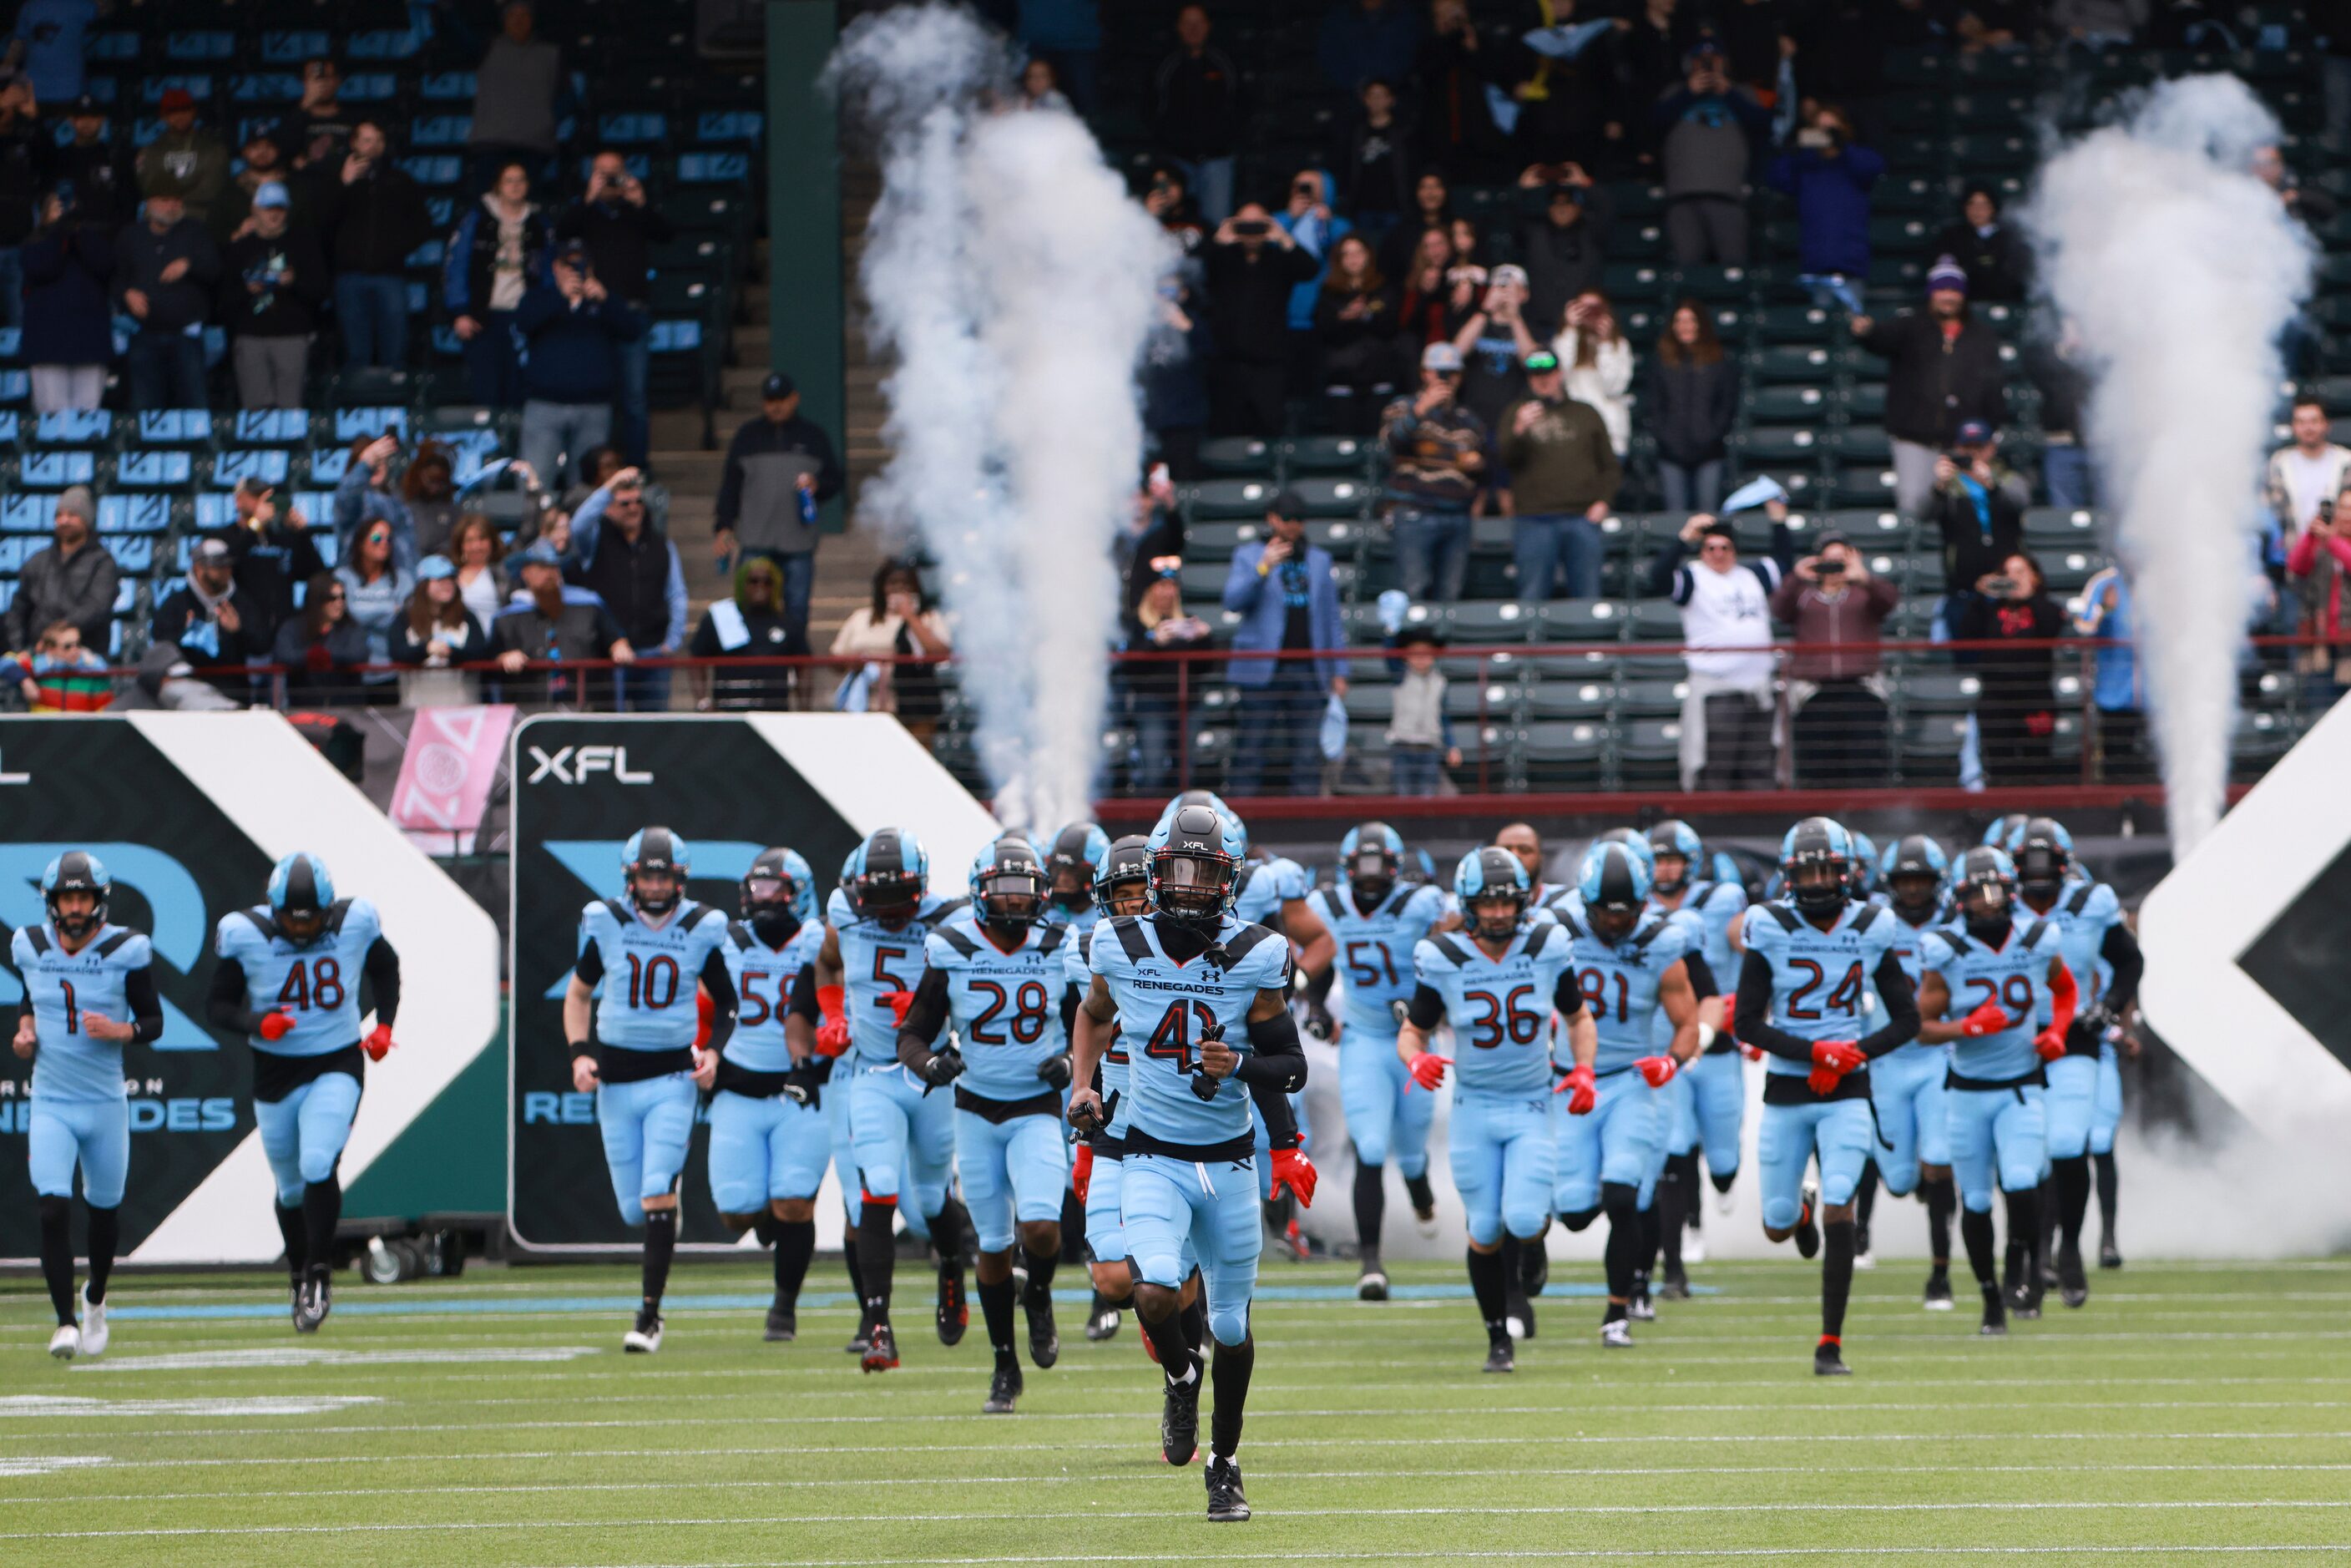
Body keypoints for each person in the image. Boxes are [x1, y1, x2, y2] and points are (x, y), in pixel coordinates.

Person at [1068, 802, 1311, 1519]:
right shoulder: (1115, 942)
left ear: (1229, 879)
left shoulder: (1259, 953)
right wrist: (1084, 1085)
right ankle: (1180, 1374)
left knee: (1231, 1325)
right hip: (1150, 1153)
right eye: (1179, 870)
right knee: (1151, 1288)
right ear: (1156, 871)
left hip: (1230, 1163)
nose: (1192, 887)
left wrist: (1238, 1061)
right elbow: (1093, 1012)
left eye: (1205, 874)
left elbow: (1290, 1066)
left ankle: (1226, 1463)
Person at [889, 838, 1074, 1414]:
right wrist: (930, 1064)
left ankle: (1038, 1294)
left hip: (1036, 1107)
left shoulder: (1058, 946)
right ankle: (1004, 1364)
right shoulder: (952, 947)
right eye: (1005, 892)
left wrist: (1070, 1064)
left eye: (1026, 892)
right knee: (992, 1246)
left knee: (1042, 1227)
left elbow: (1093, 1027)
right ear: (982, 893)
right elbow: (912, 1034)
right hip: (974, 1110)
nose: (1017, 904)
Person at [1733, 818, 1919, 1374]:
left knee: (1844, 1197)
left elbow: (1908, 1019)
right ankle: (1801, 1208)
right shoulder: (1768, 925)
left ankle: (1829, 1344)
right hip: (1790, 1086)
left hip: (1848, 1089)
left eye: (1826, 869)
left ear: (1846, 872)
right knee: (1776, 1223)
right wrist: (1818, 1053)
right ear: (1790, 876)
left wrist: (1852, 1053)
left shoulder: (1870, 925)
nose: (1816, 880)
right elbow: (1745, 1023)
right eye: (1807, 870)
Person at [1397, 846, 1588, 1371]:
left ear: (1524, 901)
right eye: (1488, 903)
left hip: (1531, 1102)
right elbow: (1413, 1032)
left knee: (1524, 1219)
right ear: (1469, 903)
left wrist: (1585, 1069)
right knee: (1484, 1228)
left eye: (1508, 903)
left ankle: (1533, 1247)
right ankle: (1496, 1336)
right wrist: (1416, 1062)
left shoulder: (1548, 944)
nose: (1500, 913)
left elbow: (1578, 1017)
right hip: (1474, 1106)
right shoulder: (1444, 955)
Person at [208, 852, 401, 1332]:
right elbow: (217, 1005)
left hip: (336, 1060)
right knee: (290, 1189)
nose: (300, 931)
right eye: (291, 922)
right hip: (274, 1073)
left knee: (318, 1162)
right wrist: (257, 1022)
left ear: (328, 910)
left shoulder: (356, 922)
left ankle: (318, 1275)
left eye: (310, 919)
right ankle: (298, 1274)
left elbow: (386, 968)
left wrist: (384, 1025)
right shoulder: (244, 934)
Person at [562, 829, 736, 1352]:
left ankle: (649, 1316)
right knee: (634, 1210)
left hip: (671, 1080)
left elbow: (727, 1003)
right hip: (615, 1081)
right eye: (648, 875)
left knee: (658, 1188)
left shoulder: (700, 927)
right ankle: (663, 1218)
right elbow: (578, 994)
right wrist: (578, 1052)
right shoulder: (607, 922)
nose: (656, 885)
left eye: (664, 875)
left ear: (680, 879)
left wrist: (714, 1051)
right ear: (630, 877)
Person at [808, 828, 975, 1369]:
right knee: (876, 1185)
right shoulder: (845, 913)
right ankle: (879, 1324)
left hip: (927, 1074)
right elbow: (827, 963)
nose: (887, 913)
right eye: (875, 901)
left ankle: (951, 1265)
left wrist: (932, 1003)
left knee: (929, 1201)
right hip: (872, 1073)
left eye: (898, 900)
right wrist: (834, 1013)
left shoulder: (949, 919)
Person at [1550, 842, 1706, 1348]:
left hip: (1631, 1080)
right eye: (1604, 914)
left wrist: (1673, 1059)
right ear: (1586, 904)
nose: (1616, 925)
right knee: (1573, 1213)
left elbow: (1689, 1020)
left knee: (1623, 1195)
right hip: (1571, 1077)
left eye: (1627, 914)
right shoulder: (1557, 931)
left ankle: (1617, 1310)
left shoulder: (1664, 940)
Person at [1914, 846, 2074, 1336]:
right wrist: (1967, 1028)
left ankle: (2017, 1261)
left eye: (1996, 891)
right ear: (1960, 899)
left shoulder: (2036, 939)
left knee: (2023, 1183)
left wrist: (2057, 1033)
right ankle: (1989, 1297)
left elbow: (2065, 989)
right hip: (1967, 1091)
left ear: (2011, 890)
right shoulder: (1947, 950)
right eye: (1977, 894)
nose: (1988, 902)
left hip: (2021, 1087)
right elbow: (1920, 1027)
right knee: (1978, 1201)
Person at [13, 851, 159, 1359]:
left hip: (103, 1102)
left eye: (83, 897)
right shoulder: (28, 944)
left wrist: (123, 1030)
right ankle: (64, 1322)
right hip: (51, 1098)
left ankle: (95, 1295)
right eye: (66, 898)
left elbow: (154, 1020)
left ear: (99, 901)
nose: (75, 908)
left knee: (104, 1215)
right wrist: (26, 1028)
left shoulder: (127, 948)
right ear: (52, 903)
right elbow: (32, 997)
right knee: (53, 1207)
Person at [1303, 824, 1446, 1297]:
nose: (1367, 879)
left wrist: (1431, 1008)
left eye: (1376, 866)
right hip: (1364, 1039)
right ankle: (1370, 1262)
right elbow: (1319, 964)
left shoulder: (1420, 905)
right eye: (1360, 868)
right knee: (1368, 1145)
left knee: (1409, 1152)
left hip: (1413, 1038)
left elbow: (1447, 957)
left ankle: (1421, 1194)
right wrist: (1319, 1008)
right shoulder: (1330, 906)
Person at [695, 847, 829, 1340]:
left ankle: (784, 1308)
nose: (765, 898)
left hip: (803, 1085)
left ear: (801, 893)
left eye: (777, 889)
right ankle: (768, 1222)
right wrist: (703, 1050)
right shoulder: (727, 939)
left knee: (795, 1201)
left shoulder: (820, 939)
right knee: (737, 1214)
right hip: (740, 1083)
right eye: (757, 888)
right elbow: (702, 1003)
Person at [2008, 818, 2142, 1296]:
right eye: (2029, 863)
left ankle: (2068, 1247)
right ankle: (2030, 1253)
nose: (2038, 874)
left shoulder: (2090, 904)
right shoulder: (1994, 908)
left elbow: (2130, 959)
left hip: (2075, 1035)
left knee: (2068, 1143)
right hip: (2012, 1040)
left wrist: (2109, 1008)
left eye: (2047, 863)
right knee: (2026, 1157)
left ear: (2066, 866)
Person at [1642, 820, 1746, 1288]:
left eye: (1672, 859)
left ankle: (1717, 1190)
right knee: (1675, 1148)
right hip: (1667, 1048)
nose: (1665, 868)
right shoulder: (1635, 909)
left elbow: (1751, 950)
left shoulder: (1723, 901)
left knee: (1723, 1160)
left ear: (1691, 863)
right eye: (1657, 859)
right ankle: (1675, 1263)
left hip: (1718, 1046)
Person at [1872, 834, 1960, 1308]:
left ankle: (1940, 1274)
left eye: (1920, 881)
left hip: (1936, 1058)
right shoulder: (1873, 924)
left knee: (1940, 1159)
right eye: (1904, 881)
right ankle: (1926, 1182)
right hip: (1888, 1059)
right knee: (1901, 1180)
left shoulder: (1956, 926)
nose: (1912, 890)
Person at [1853, 260, 2008, 518]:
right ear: (1931, 293)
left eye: (1954, 290)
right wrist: (1866, 331)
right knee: (1914, 504)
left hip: (1963, 442)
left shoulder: (1982, 336)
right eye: (1942, 289)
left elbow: (1994, 387)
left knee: (1964, 508)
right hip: (1913, 439)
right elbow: (1879, 339)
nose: (1948, 296)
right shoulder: (1911, 326)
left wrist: (1992, 433)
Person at [1222, 491, 1346, 797]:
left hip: (1308, 669)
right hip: (1263, 668)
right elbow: (1233, 600)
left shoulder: (1319, 560)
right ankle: (1239, 823)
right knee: (1251, 747)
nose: (1293, 526)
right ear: (1272, 519)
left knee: (1305, 754)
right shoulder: (1249, 555)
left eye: (1299, 520)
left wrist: (1339, 669)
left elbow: (1331, 618)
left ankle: (1303, 823)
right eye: (1287, 519)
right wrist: (1263, 568)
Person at [556, 151, 673, 465]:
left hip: (632, 312)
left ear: (626, 174)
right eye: (601, 173)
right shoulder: (586, 213)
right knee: (599, 395)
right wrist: (588, 198)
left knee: (634, 398)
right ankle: (600, 470)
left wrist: (641, 203)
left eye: (614, 173)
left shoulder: (635, 211)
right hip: (595, 315)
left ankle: (636, 468)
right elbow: (561, 233)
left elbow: (666, 235)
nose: (609, 179)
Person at [715, 372, 843, 650]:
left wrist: (816, 485)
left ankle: (794, 664)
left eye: (782, 399)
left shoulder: (814, 436)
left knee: (796, 610)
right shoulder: (747, 436)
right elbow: (730, 486)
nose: (776, 406)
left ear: (794, 399)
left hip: (797, 541)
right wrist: (723, 526)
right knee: (746, 607)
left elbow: (836, 480)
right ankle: (748, 661)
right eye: (770, 400)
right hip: (755, 539)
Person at [1659, 513, 1785, 790]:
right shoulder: (1693, 577)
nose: (1718, 554)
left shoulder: (1752, 575)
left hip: (1758, 688)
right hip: (1717, 691)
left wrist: (1778, 521)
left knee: (1759, 764)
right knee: (1716, 765)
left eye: (1724, 547)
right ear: (1702, 551)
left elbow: (1783, 563)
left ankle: (1760, 827)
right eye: (1710, 548)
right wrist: (1683, 539)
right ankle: (1712, 827)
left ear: (1735, 551)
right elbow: (1658, 578)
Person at [1770, 533, 1898, 787]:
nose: (1835, 566)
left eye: (1841, 560)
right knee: (1819, 766)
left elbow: (1889, 601)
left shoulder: (1865, 593)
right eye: (1829, 560)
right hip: (1816, 692)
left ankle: (1866, 821)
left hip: (1862, 689)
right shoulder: (1804, 595)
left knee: (1866, 764)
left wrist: (1865, 578)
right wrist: (1796, 576)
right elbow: (1778, 609)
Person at [1499, 346, 1621, 601]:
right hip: (1533, 519)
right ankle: (1530, 642)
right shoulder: (1515, 412)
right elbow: (1504, 461)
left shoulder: (1585, 412)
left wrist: (1603, 501)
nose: (1543, 379)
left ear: (1560, 374)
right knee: (1531, 596)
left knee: (1587, 595)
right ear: (1529, 379)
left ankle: (1588, 641)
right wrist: (1519, 429)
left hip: (1582, 517)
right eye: (1536, 375)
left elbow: (1609, 465)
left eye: (1549, 373)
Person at [561, 466, 685, 712]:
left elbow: (677, 594)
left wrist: (672, 641)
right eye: (624, 503)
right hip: (607, 654)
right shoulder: (595, 541)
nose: (634, 508)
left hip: (653, 653)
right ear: (608, 508)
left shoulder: (662, 545)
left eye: (638, 501)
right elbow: (577, 527)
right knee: (608, 728)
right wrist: (610, 487)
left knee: (655, 730)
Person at [1379, 341, 1489, 603]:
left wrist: (1477, 465)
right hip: (1415, 513)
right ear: (1425, 373)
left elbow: (1486, 469)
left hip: (1458, 516)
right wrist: (1421, 409)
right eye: (1441, 372)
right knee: (1414, 590)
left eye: (1453, 374)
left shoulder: (1468, 419)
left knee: (1451, 596)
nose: (1447, 379)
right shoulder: (1402, 407)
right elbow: (1390, 445)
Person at [320, 120, 432, 371]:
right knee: (355, 354)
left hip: (390, 275)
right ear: (354, 143)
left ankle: (396, 406)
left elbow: (423, 226)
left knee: (395, 353)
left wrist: (394, 250)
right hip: (349, 275)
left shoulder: (400, 181)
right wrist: (343, 184)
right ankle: (354, 407)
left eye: (378, 140)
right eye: (367, 140)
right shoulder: (334, 180)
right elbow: (322, 223)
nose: (373, 146)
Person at [445, 161, 552, 410]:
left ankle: (516, 448)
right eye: (509, 180)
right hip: (483, 316)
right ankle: (489, 447)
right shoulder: (477, 219)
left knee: (519, 390)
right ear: (498, 187)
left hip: (523, 319)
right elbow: (456, 265)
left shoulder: (539, 224)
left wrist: (544, 312)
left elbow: (549, 272)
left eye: (520, 180)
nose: (515, 186)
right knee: (485, 390)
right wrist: (460, 311)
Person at [1202, 203, 1317, 436]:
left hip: (1270, 362)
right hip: (1228, 360)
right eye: (1245, 224)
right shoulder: (1221, 257)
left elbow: (1310, 269)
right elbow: (1196, 268)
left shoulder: (1278, 258)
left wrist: (1282, 236)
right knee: (1227, 428)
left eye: (1258, 224)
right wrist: (1218, 241)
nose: (1251, 231)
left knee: (1270, 425)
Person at [1654, 44, 1771, 266]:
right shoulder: (1675, 92)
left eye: (1713, 59)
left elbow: (1762, 126)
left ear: (1724, 62)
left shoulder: (1742, 92)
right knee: (1687, 269)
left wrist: (1729, 93)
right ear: (1691, 63)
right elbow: (1655, 124)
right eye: (1701, 60)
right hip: (1682, 196)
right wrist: (1688, 94)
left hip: (1728, 195)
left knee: (1733, 267)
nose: (1707, 65)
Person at [1955, 551, 2065, 786]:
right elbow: (1965, 633)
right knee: (1999, 766)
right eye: (2007, 573)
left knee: (2036, 765)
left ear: (2035, 577)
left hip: (2035, 698)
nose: (2013, 578)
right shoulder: (1989, 610)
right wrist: (1981, 597)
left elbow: (2052, 627)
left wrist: (2029, 596)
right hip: (1996, 699)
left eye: (2020, 572)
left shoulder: (2047, 607)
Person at [219, 182, 325, 410]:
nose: (274, 214)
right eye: (268, 208)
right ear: (255, 210)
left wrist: (294, 282)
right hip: (251, 337)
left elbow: (320, 291)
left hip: (292, 335)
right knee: (256, 409)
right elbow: (223, 298)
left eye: (280, 208)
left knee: (290, 407)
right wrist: (246, 290)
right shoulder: (239, 249)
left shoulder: (304, 244)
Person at [490, 542, 636, 706]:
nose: (549, 573)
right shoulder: (507, 618)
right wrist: (504, 657)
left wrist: (620, 646)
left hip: (586, 707)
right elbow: (492, 656)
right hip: (531, 710)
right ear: (525, 573)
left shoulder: (588, 606)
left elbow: (615, 637)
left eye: (554, 567)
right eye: (541, 567)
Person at [1767, 103, 1882, 308]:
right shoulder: (1806, 166)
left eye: (1831, 129)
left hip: (1851, 262)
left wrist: (1843, 147)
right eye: (1820, 129)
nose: (1825, 134)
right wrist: (1792, 149)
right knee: (1820, 325)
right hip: (1815, 263)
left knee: (1852, 326)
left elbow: (1874, 167)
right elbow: (1777, 179)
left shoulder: (1855, 162)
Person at [829, 559, 953, 746]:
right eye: (893, 583)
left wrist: (910, 616)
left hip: (913, 708)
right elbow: (835, 658)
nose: (899, 589)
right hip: (868, 708)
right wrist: (852, 663)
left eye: (905, 584)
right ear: (881, 587)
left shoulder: (928, 618)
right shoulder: (861, 618)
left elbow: (940, 652)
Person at [113, 193, 218, 409]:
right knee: (145, 408)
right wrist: (126, 295)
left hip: (186, 335)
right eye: (165, 199)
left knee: (194, 408)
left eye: (177, 199)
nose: (173, 205)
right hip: (143, 334)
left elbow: (216, 271)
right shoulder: (131, 235)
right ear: (149, 204)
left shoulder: (195, 231)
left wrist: (190, 264)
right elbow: (115, 279)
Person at [1117, 556, 1213, 794]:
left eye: (1172, 587)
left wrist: (1204, 639)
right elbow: (1128, 667)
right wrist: (1155, 642)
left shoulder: (1187, 620)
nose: (1168, 592)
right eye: (1161, 586)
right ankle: (1152, 825)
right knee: (1153, 771)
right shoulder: (1135, 624)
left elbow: (1205, 668)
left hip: (1187, 704)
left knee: (1185, 771)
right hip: (1152, 705)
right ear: (1150, 590)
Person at [1928, 421, 2028, 635]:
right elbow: (1924, 514)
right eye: (1967, 448)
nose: (1973, 454)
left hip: (2008, 590)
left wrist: (1992, 486)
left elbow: (2021, 503)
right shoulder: (1949, 484)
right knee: (1966, 655)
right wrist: (1939, 486)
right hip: (1964, 590)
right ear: (1957, 448)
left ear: (1991, 448)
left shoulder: (2007, 478)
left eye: (1979, 447)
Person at [1152, 4, 1244, 224]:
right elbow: (1153, 109)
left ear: (1208, 26)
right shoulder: (1166, 65)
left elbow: (1240, 105)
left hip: (1217, 160)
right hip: (1179, 161)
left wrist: (1223, 139)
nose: (1193, 29)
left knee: (1215, 225)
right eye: (1187, 24)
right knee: (1176, 223)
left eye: (1198, 23)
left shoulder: (1224, 62)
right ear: (1178, 28)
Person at [467, 1, 566, 195]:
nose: (519, 21)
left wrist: (546, 122)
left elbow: (568, 98)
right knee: (486, 206)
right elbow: (458, 37)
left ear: (532, 20)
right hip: (491, 144)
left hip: (534, 147)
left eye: (524, 15)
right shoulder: (487, 47)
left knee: (531, 209)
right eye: (513, 15)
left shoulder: (552, 54)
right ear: (504, 20)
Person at [687, 555, 811, 712]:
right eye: (753, 581)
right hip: (728, 716)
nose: (760, 586)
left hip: (775, 717)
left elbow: (804, 666)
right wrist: (702, 701)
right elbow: (696, 659)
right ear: (742, 584)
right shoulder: (720, 617)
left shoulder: (788, 623)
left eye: (768, 582)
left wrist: (805, 709)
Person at [213, 479, 325, 648]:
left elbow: (315, 573)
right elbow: (225, 567)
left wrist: (303, 534)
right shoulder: (226, 536)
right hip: (242, 629)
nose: (264, 502)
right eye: (257, 496)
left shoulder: (283, 537)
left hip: (283, 630)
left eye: (269, 498)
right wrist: (255, 526)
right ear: (238, 501)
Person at [1649, 299, 1736, 515]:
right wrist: (1665, 436)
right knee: (1675, 520)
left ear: (1701, 324)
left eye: (1690, 320)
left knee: (1708, 518)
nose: (1685, 326)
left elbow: (1726, 406)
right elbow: (1653, 406)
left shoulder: (1719, 361)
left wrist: (1712, 435)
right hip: (1670, 453)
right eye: (1679, 320)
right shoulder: (1661, 362)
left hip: (1709, 452)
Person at [3, 486, 114, 654]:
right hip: (38, 657)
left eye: (72, 515)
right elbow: (18, 609)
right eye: (59, 515)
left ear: (87, 520)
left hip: (85, 660)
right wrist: (20, 651)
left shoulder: (103, 562)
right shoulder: (38, 561)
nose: (64, 521)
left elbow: (96, 606)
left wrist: (56, 635)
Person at [151, 537, 265, 700]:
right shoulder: (176, 603)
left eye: (228, 565)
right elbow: (160, 644)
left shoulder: (242, 603)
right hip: (188, 691)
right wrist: (184, 637)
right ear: (198, 568)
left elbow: (262, 645)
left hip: (233, 692)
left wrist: (239, 631)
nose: (226, 571)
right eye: (218, 566)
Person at [1310, 232, 1398, 434]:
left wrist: (1366, 315)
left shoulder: (1383, 288)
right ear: (1339, 259)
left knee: (1377, 440)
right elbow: (1321, 329)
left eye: (1358, 252)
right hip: (1342, 377)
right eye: (1347, 254)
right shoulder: (1329, 292)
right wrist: (1343, 318)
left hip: (1378, 376)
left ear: (1368, 255)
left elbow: (1391, 327)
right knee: (1344, 441)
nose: (1353, 258)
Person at [2073, 562, 2150, 777]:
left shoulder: (2166, 579)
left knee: (2156, 767)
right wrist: (2104, 610)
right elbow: (2082, 628)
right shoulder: (2104, 583)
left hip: (2158, 694)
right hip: (2115, 693)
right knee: (2117, 764)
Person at [1517, 175, 1610, 341]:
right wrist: (1520, 188)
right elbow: (1507, 216)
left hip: (1583, 328)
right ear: (1548, 208)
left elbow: (1607, 210)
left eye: (1567, 203)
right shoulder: (1535, 233)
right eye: (1556, 203)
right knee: (1541, 366)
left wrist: (1585, 183)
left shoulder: (1592, 233)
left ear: (1578, 207)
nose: (1561, 208)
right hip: (1541, 328)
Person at [334, 515, 413, 701]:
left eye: (389, 539)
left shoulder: (403, 579)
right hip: (349, 670)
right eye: (377, 538)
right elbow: (347, 614)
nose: (384, 543)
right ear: (361, 543)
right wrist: (388, 609)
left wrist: (360, 610)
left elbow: (403, 618)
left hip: (390, 671)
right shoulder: (343, 577)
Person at [1449, 262, 1537, 430]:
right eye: (1499, 287)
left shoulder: (1531, 329)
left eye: (1512, 288)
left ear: (1525, 294)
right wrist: (1485, 310)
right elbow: (1456, 353)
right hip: (1472, 415)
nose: (1504, 293)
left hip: (1513, 418)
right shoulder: (1474, 322)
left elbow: (1532, 362)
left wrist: (1515, 318)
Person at [389, 554, 489, 698]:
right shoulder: (404, 619)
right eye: (440, 579)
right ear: (424, 584)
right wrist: (426, 649)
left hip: (462, 706)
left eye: (451, 579)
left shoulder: (467, 617)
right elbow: (397, 653)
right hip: (417, 706)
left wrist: (451, 652)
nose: (448, 584)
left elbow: (479, 653)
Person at [1141, 273, 1211, 481]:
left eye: (1171, 291)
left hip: (1184, 421)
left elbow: (1211, 360)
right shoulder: (1143, 326)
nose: (1165, 296)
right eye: (1161, 290)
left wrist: (1189, 329)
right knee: (1152, 482)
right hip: (1150, 420)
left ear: (1184, 294)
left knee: (1183, 478)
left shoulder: (1195, 322)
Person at [2265, 397, 2351, 562]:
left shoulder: (2346, 462)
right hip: (2292, 558)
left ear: (2327, 424)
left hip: (2339, 560)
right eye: (2301, 422)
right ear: (2293, 427)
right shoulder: (2279, 464)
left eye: (2314, 421)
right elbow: (2270, 513)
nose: (2308, 428)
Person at [1551, 290, 1632, 458]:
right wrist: (1570, 329)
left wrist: (1606, 345)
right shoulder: (1564, 340)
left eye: (1596, 308)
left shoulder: (1619, 345)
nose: (1589, 313)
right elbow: (1560, 378)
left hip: (1609, 436)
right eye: (1583, 308)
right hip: (1573, 434)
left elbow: (1613, 388)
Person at [133, 87, 228, 229]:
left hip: (201, 219)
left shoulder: (214, 150)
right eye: (173, 112)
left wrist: (171, 200)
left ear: (193, 112)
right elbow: (151, 189)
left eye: (185, 110)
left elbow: (211, 190)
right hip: (159, 221)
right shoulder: (149, 151)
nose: (180, 116)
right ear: (163, 115)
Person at [1330, 78, 1415, 237]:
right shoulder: (1355, 131)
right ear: (1365, 100)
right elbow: (1347, 167)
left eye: (1381, 95)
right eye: (1372, 96)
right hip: (1363, 206)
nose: (1377, 100)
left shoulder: (1404, 131)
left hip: (1394, 205)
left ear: (1391, 99)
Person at [1383, 625, 1460, 793]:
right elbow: (1389, 656)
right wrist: (1390, 630)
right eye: (1415, 653)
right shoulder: (1400, 676)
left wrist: (1452, 746)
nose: (1420, 659)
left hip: (1429, 747)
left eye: (1426, 654)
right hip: (1402, 745)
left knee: (1428, 795)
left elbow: (1443, 717)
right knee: (1402, 794)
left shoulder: (1440, 682)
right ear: (1406, 656)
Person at [270, 573, 367, 697]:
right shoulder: (293, 627)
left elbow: (359, 654)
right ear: (317, 599)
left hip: (345, 704)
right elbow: (282, 654)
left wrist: (328, 656)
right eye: (332, 598)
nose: (339, 603)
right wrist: (309, 656)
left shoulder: (352, 627)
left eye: (342, 597)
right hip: (304, 703)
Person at [43, 94, 129, 233]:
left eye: (92, 117)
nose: (87, 122)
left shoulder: (116, 157)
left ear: (101, 120)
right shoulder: (59, 157)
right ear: (71, 120)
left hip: (108, 234)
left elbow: (127, 200)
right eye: (81, 117)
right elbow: (49, 197)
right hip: (67, 234)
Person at [1932, 185, 2030, 304]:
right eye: (1972, 204)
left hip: (2003, 298)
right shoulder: (1951, 237)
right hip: (1965, 301)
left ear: (1993, 208)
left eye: (1984, 205)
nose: (1977, 210)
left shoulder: (2009, 237)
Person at [0, 65, 38, 326]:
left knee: (19, 320)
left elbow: (49, 162)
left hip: (16, 244)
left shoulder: (25, 139)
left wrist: (33, 118)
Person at [4, 618, 109, 711]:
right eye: (67, 646)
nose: (75, 650)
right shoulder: (36, 665)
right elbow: (6, 661)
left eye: (78, 644)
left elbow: (103, 713)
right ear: (51, 649)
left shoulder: (94, 671)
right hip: (41, 731)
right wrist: (25, 681)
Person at [215, 124, 294, 243]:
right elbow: (215, 233)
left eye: (268, 146)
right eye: (255, 147)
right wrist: (238, 233)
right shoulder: (231, 190)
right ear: (245, 151)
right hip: (244, 255)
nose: (262, 152)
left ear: (278, 151)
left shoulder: (294, 185)